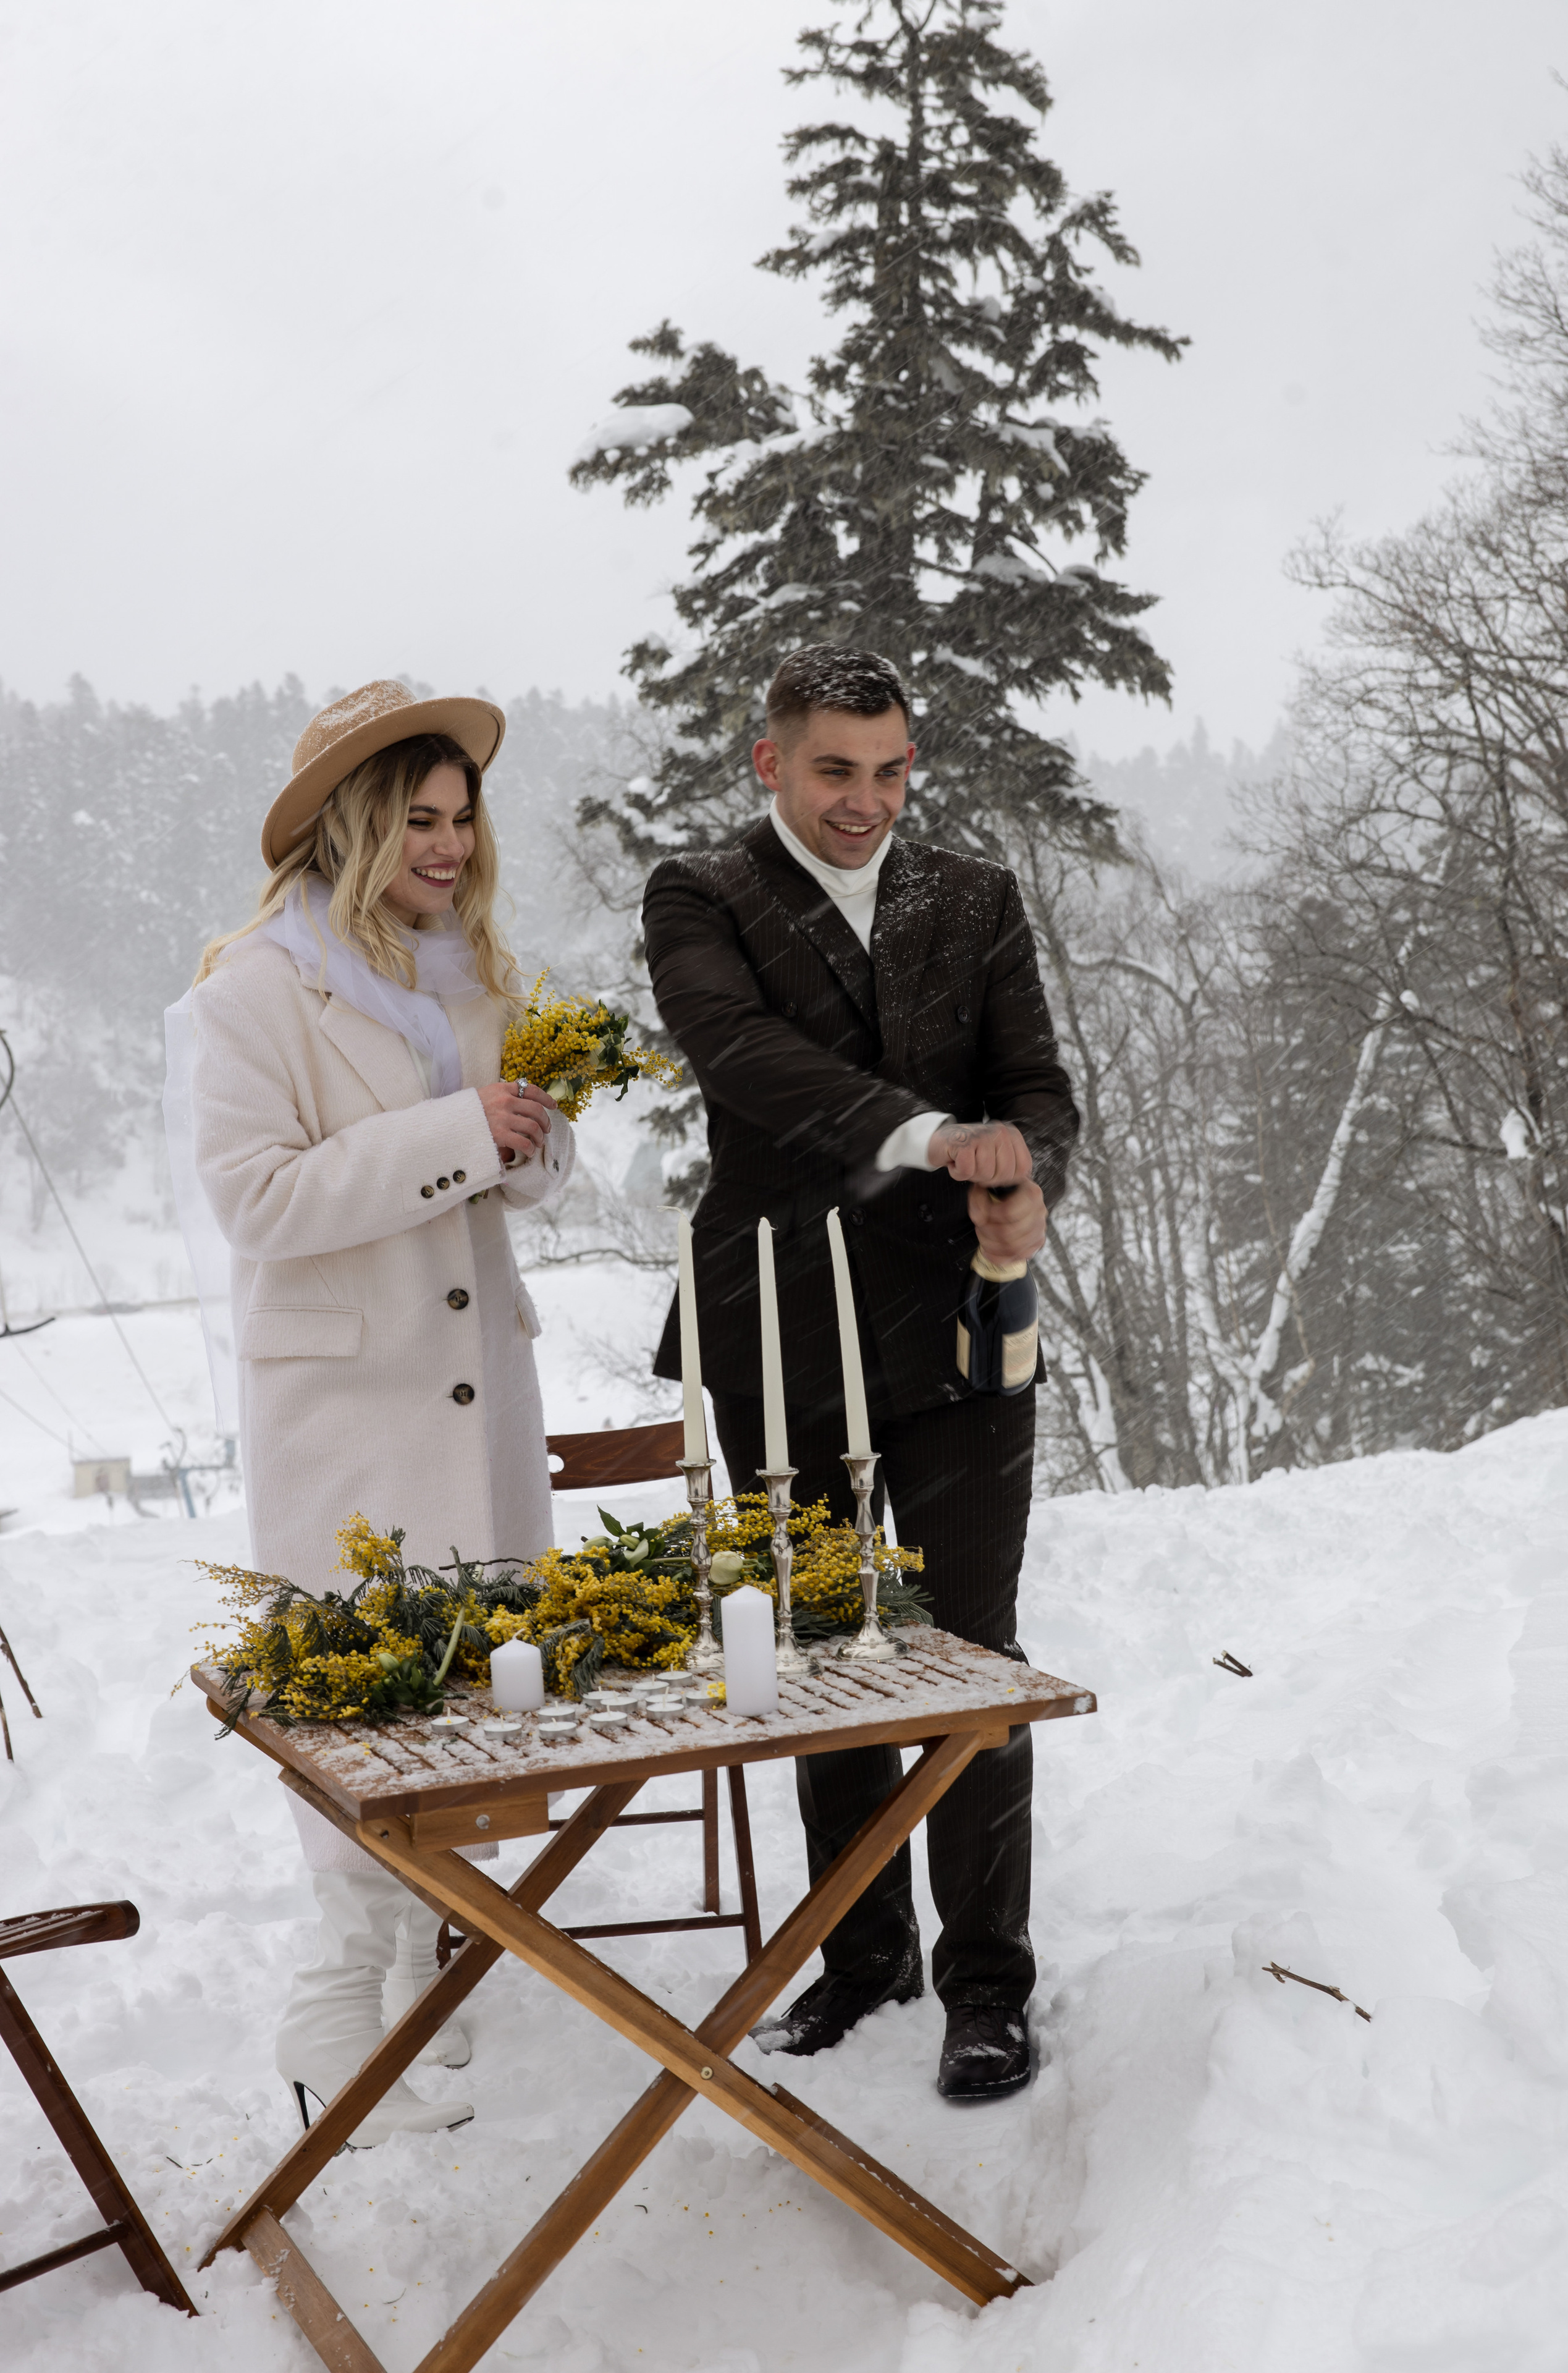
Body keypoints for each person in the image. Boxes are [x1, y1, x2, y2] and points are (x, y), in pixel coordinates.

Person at [642, 646, 1078, 2103]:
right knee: (821, 1647)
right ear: (769, 762)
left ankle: (986, 1987)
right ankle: (860, 1955)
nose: (864, 800)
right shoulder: (700, 893)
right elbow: (738, 1054)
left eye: (889, 771)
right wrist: (927, 1135)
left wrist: (1023, 1179)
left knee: (971, 1657)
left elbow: (1033, 1088)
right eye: (834, 769)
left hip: (959, 1322)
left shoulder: (974, 895)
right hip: (775, 1320)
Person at [187, 679, 571, 2146]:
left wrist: (528, 1143)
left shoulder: (473, 976)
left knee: (467, 1688)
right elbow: (258, 1202)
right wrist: (457, 1132)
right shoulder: (254, 990)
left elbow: (518, 1174)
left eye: (461, 818)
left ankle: (418, 1966)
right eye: (417, 819)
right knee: (359, 1695)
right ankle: (335, 2005)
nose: (449, 846)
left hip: (476, 1386)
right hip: (346, 1402)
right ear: (352, 826)